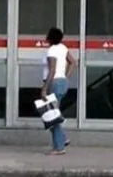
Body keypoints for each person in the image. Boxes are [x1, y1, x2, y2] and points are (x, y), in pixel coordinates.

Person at [41, 27, 76, 155]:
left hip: (53, 84)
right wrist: (66, 78)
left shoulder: (52, 50)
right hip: (61, 83)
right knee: (54, 113)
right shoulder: (63, 48)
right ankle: (62, 139)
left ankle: (59, 147)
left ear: (49, 37)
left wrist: (44, 89)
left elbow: (52, 71)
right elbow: (73, 62)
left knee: (52, 115)